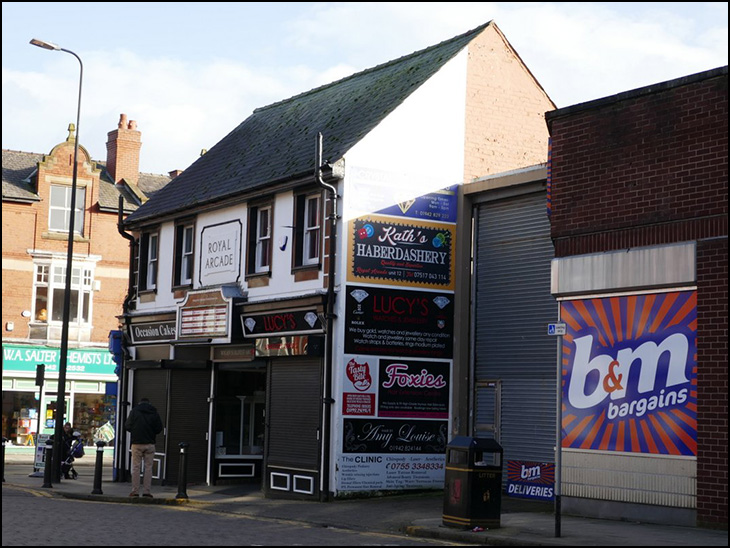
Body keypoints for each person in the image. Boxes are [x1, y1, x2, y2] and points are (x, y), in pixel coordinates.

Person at [124, 397, 163, 497]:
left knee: (136, 467)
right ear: (149, 403)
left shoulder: (134, 412)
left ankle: (135, 491)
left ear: (139, 403)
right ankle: (147, 491)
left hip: (136, 443)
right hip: (150, 443)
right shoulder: (154, 412)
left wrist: (135, 431)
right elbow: (159, 428)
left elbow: (127, 426)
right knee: (148, 468)